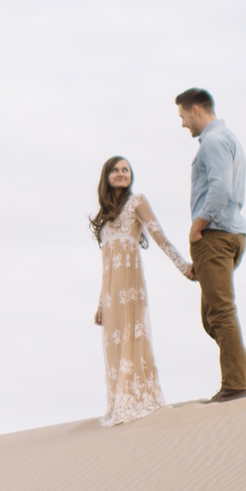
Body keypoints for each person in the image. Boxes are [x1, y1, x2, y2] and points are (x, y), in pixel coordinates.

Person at [89, 155, 191, 426]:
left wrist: (184, 266)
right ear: (107, 176)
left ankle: (136, 398)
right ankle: (118, 401)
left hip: (131, 288)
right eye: (116, 170)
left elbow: (159, 237)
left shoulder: (138, 202)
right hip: (111, 295)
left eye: (126, 170)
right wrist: (101, 303)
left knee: (132, 340)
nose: (122, 173)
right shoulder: (104, 218)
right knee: (114, 346)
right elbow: (106, 266)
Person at [175, 89, 246, 401]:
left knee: (220, 312)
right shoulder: (227, 138)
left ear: (196, 110)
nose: (183, 124)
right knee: (213, 316)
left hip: (216, 234)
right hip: (228, 234)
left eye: (183, 116)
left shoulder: (212, 141)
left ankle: (235, 386)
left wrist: (198, 226)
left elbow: (220, 186)